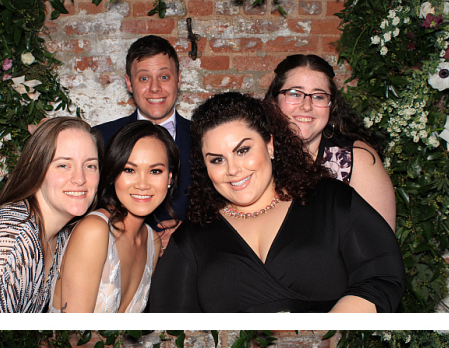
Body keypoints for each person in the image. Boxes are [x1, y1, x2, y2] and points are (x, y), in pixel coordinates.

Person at [149, 91, 405, 313]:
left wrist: (318, 337)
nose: (233, 169)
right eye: (217, 160)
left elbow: (383, 276)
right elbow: (170, 328)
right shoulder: (192, 238)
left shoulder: (332, 201)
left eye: (243, 150)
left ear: (270, 146)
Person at [0, 117, 101, 313]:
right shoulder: (8, 244)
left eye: (90, 166)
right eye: (63, 165)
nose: (80, 179)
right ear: (37, 168)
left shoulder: (59, 235)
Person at [50, 124, 178, 313]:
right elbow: (73, 330)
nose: (142, 184)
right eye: (129, 170)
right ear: (113, 174)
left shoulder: (152, 241)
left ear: (169, 178)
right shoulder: (94, 231)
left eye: (155, 171)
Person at [265, 53, 396, 228]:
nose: (306, 105)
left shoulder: (356, 160)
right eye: (295, 94)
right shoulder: (256, 155)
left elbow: (379, 240)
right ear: (274, 102)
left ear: (332, 105)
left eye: (319, 96)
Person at [95, 34, 192, 233]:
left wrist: (190, 233)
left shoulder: (203, 138)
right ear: (129, 83)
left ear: (178, 79)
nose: (155, 88)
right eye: (144, 78)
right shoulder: (101, 138)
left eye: (164, 77)